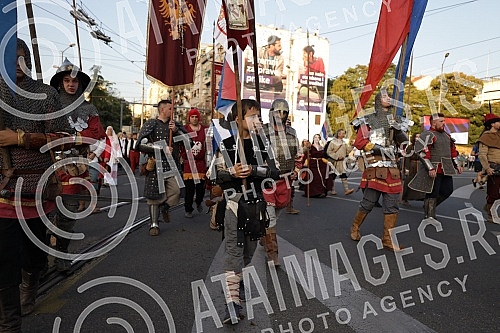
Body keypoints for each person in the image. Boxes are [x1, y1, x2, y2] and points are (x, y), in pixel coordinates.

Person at [0, 39, 81, 330]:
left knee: (32, 257)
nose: (17, 65)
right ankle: (9, 323)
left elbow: (63, 138)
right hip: (2, 191)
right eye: (11, 58)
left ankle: (31, 281)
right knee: (4, 261)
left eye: (22, 59)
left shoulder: (45, 94)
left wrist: (19, 138)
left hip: (35, 187)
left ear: (29, 61)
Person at [215, 99, 280, 324]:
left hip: (258, 208)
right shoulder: (227, 144)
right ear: (238, 119)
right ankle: (232, 305)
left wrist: (254, 169)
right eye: (252, 116)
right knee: (234, 255)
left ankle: (237, 283)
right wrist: (231, 172)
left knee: (247, 255)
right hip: (235, 207)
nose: (257, 120)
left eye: (258, 116)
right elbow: (213, 175)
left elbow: (275, 173)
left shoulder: (263, 144)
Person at [47, 58, 107, 272]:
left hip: (76, 168)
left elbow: (95, 133)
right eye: (66, 80)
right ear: (60, 83)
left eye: (74, 81)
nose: (70, 84)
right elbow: (46, 133)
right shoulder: (50, 106)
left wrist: (70, 137)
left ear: (79, 84)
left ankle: (61, 256)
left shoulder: (88, 108)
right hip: (50, 165)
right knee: (45, 214)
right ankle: (42, 260)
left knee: (68, 215)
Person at [349, 91, 409, 251]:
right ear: (377, 100)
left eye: (390, 96)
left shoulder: (396, 120)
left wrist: (398, 131)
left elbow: (404, 143)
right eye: (384, 96)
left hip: (392, 168)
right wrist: (379, 149)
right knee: (368, 203)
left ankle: (387, 240)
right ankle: (355, 227)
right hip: (375, 167)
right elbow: (359, 142)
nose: (388, 99)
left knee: (392, 205)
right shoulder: (368, 120)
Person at [137, 100, 186, 236]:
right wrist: (162, 148)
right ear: (163, 110)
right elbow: (140, 144)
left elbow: (189, 141)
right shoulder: (151, 124)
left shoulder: (175, 125)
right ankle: (154, 224)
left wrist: (176, 131)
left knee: (177, 190)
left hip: (172, 164)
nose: (173, 111)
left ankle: (165, 207)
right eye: (171, 108)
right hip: (156, 164)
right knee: (154, 196)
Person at [261, 99, 299, 266]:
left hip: (286, 180)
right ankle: (272, 254)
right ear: (272, 112)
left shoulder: (292, 133)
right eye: (278, 112)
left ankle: (264, 235)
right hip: (267, 181)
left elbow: (298, 156)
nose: (281, 115)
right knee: (271, 219)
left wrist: (297, 170)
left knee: (276, 215)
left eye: (284, 112)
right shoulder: (262, 132)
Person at [408, 113, 463, 221]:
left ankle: (428, 207)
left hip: (446, 168)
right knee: (433, 192)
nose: (444, 123)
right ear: (434, 122)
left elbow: (453, 152)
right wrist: (430, 168)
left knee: (447, 191)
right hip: (434, 167)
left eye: (444, 121)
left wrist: (457, 165)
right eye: (441, 121)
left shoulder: (447, 136)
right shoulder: (427, 135)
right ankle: (430, 215)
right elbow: (422, 152)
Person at [180, 108, 207, 218]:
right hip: (189, 164)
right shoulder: (184, 129)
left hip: (201, 163)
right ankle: (188, 209)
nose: (194, 119)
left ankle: (199, 201)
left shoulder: (205, 129)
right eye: (192, 117)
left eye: (196, 117)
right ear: (189, 118)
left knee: (201, 188)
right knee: (189, 189)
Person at [477, 113, 500, 222]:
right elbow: (482, 155)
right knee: (493, 192)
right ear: (492, 124)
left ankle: (490, 208)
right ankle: (491, 212)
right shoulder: (485, 137)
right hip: (493, 167)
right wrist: (487, 168)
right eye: (498, 122)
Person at [301, 133, 332, 198]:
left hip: (321, 164)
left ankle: (321, 192)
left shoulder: (321, 147)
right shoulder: (310, 147)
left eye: (318, 137)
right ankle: (312, 193)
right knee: (312, 178)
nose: (316, 139)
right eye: (315, 137)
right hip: (312, 164)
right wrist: (306, 162)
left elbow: (324, 156)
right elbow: (307, 155)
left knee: (321, 178)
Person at [326, 129, 354, 196]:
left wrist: (352, 146)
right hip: (335, 162)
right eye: (342, 133)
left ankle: (346, 190)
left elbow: (347, 151)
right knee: (333, 176)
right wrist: (336, 157)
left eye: (344, 133)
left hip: (342, 163)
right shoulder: (333, 142)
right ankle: (332, 189)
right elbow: (329, 152)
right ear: (338, 134)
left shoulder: (344, 142)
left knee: (343, 176)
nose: (344, 135)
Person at [401, 133, 425, 206]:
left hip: (420, 166)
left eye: (419, 137)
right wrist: (407, 168)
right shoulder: (410, 147)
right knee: (409, 182)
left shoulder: (423, 147)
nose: (417, 138)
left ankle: (423, 198)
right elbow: (407, 158)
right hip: (412, 166)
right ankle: (405, 198)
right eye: (416, 137)